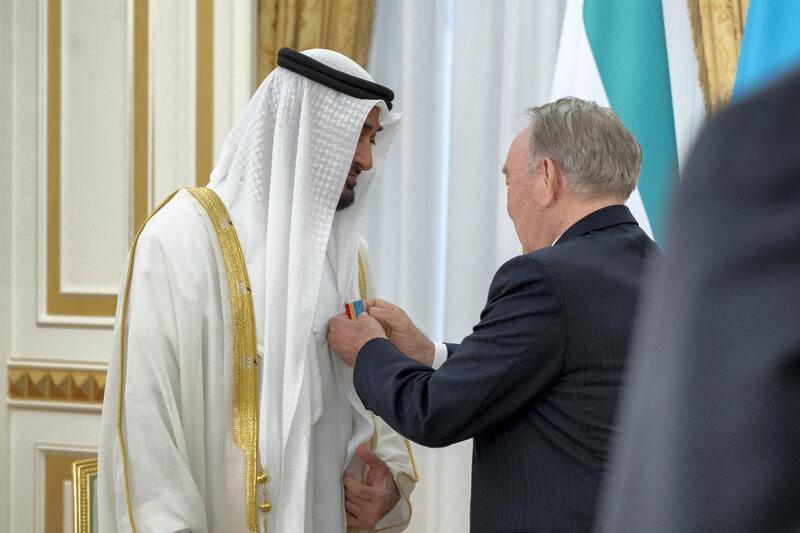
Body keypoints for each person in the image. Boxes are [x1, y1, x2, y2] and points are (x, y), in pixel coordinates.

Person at [97, 48, 417, 533]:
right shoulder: (179, 242)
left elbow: (369, 389)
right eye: (355, 134)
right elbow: (147, 431)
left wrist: (387, 482)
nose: (367, 160)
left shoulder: (348, 256)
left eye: (372, 137)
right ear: (302, 129)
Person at [328, 97, 657, 532]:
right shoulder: (663, 270)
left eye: (508, 181)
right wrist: (432, 354)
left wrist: (368, 349)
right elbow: (564, 370)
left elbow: (433, 412)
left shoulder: (545, 277)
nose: (509, 205)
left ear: (547, 178)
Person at [596, 69, 800, 532]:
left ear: (547, 177)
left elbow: (700, 483)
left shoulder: (768, 147)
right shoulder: (651, 257)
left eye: (510, 180)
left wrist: (390, 349)